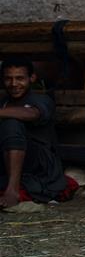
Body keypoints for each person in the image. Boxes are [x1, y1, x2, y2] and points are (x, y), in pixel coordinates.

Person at [0, 57, 67, 209]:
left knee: (11, 124)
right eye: (8, 79)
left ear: (32, 78)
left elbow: (32, 114)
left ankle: (12, 191)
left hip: (40, 164)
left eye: (20, 78)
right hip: (8, 162)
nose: (14, 84)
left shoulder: (41, 99)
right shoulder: (3, 102)